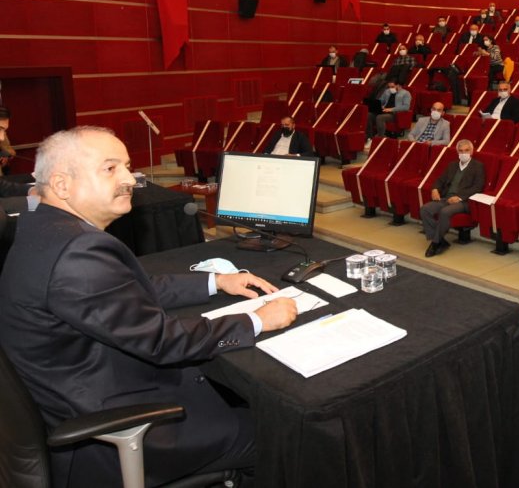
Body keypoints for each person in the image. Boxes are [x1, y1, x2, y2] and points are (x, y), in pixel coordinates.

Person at [0, 127, 298, 486]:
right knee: (284, 436)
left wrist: (216, 282)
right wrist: (255, 320)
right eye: (110, 169)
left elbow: (126, 289)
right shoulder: (76, 250)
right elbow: (161, 341)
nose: (130, 179)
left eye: (127, 167)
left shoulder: (45, 228)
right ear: (62, 185)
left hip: (75, 393)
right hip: (118, 429)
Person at [420, 140, 485, 257]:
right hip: (446, 198)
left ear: (471, 151)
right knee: (425, 209)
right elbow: (440, 180)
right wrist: (435, 189)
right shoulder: (452, 165)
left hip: (464, 202)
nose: (463, 153)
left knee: (445, 212)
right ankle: (441, 241)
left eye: (466, 150)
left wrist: (459, 197)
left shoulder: (478, 166)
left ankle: (435, 243)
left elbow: (478, 187)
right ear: (457, 152)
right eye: (461, 151)